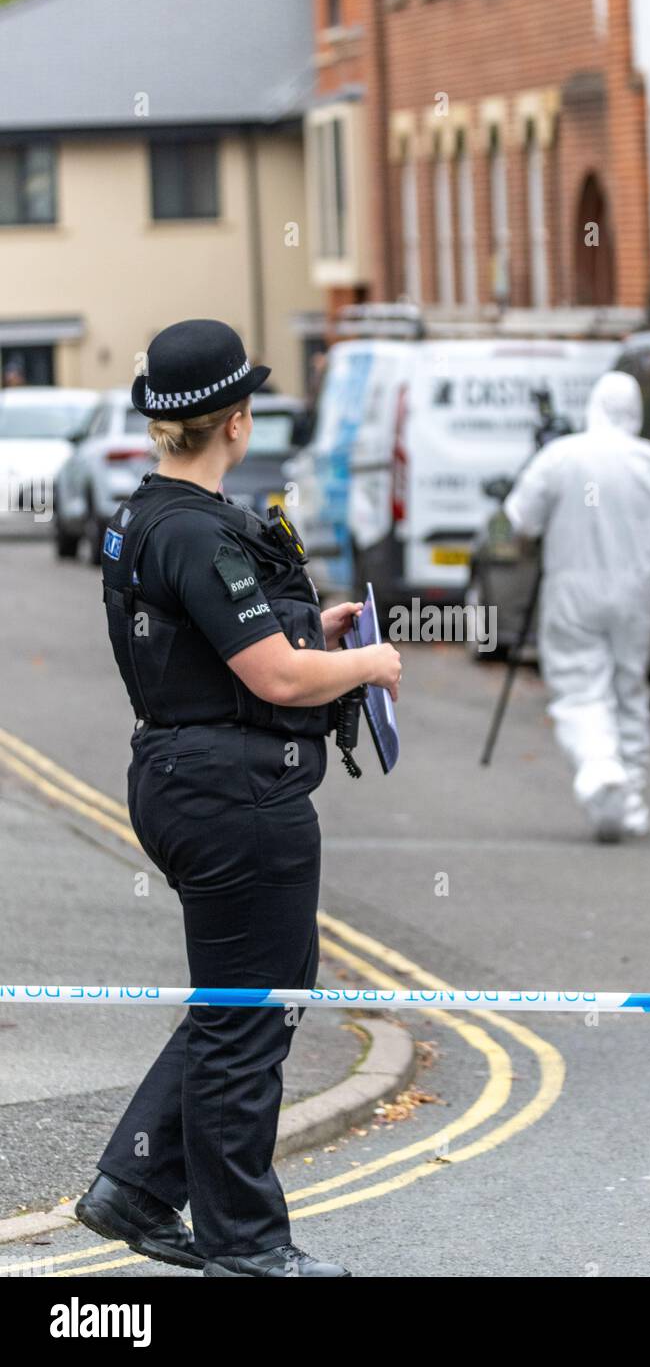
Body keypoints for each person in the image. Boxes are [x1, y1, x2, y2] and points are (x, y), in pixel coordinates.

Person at [75, 319, 401, 1277]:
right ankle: (245, 1245)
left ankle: (135, 1186)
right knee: (247, 1019)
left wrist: (312, 628)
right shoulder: (197, 532)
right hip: (235, 796)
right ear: (236, 419)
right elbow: (276, 678)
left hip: (184, 777)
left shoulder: (146, 516)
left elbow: (208, 646)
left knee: (251, 999)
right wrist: (366, 662)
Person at [504, 370, 650, 843]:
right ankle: (631, 802)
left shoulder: (562, 456)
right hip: (636, 596)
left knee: (579, 688)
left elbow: (521, 519)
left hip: (573, 592)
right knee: (630, 689)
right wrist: (649, 566)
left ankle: (599, 765)